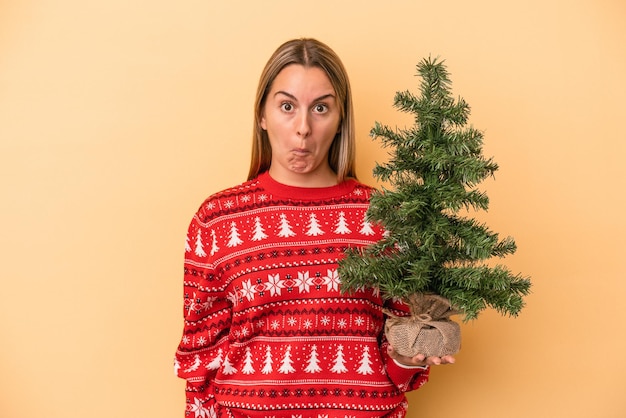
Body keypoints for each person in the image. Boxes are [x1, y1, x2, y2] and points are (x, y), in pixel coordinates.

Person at [174, 38, 454, 418]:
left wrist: (410, 354)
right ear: (262, 115)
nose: (303, 128)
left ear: (341, 120)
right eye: (287, 106)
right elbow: (200, 367)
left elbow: (400, 369)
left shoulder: (386, 218)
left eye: (320, 108)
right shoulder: (217, 219)